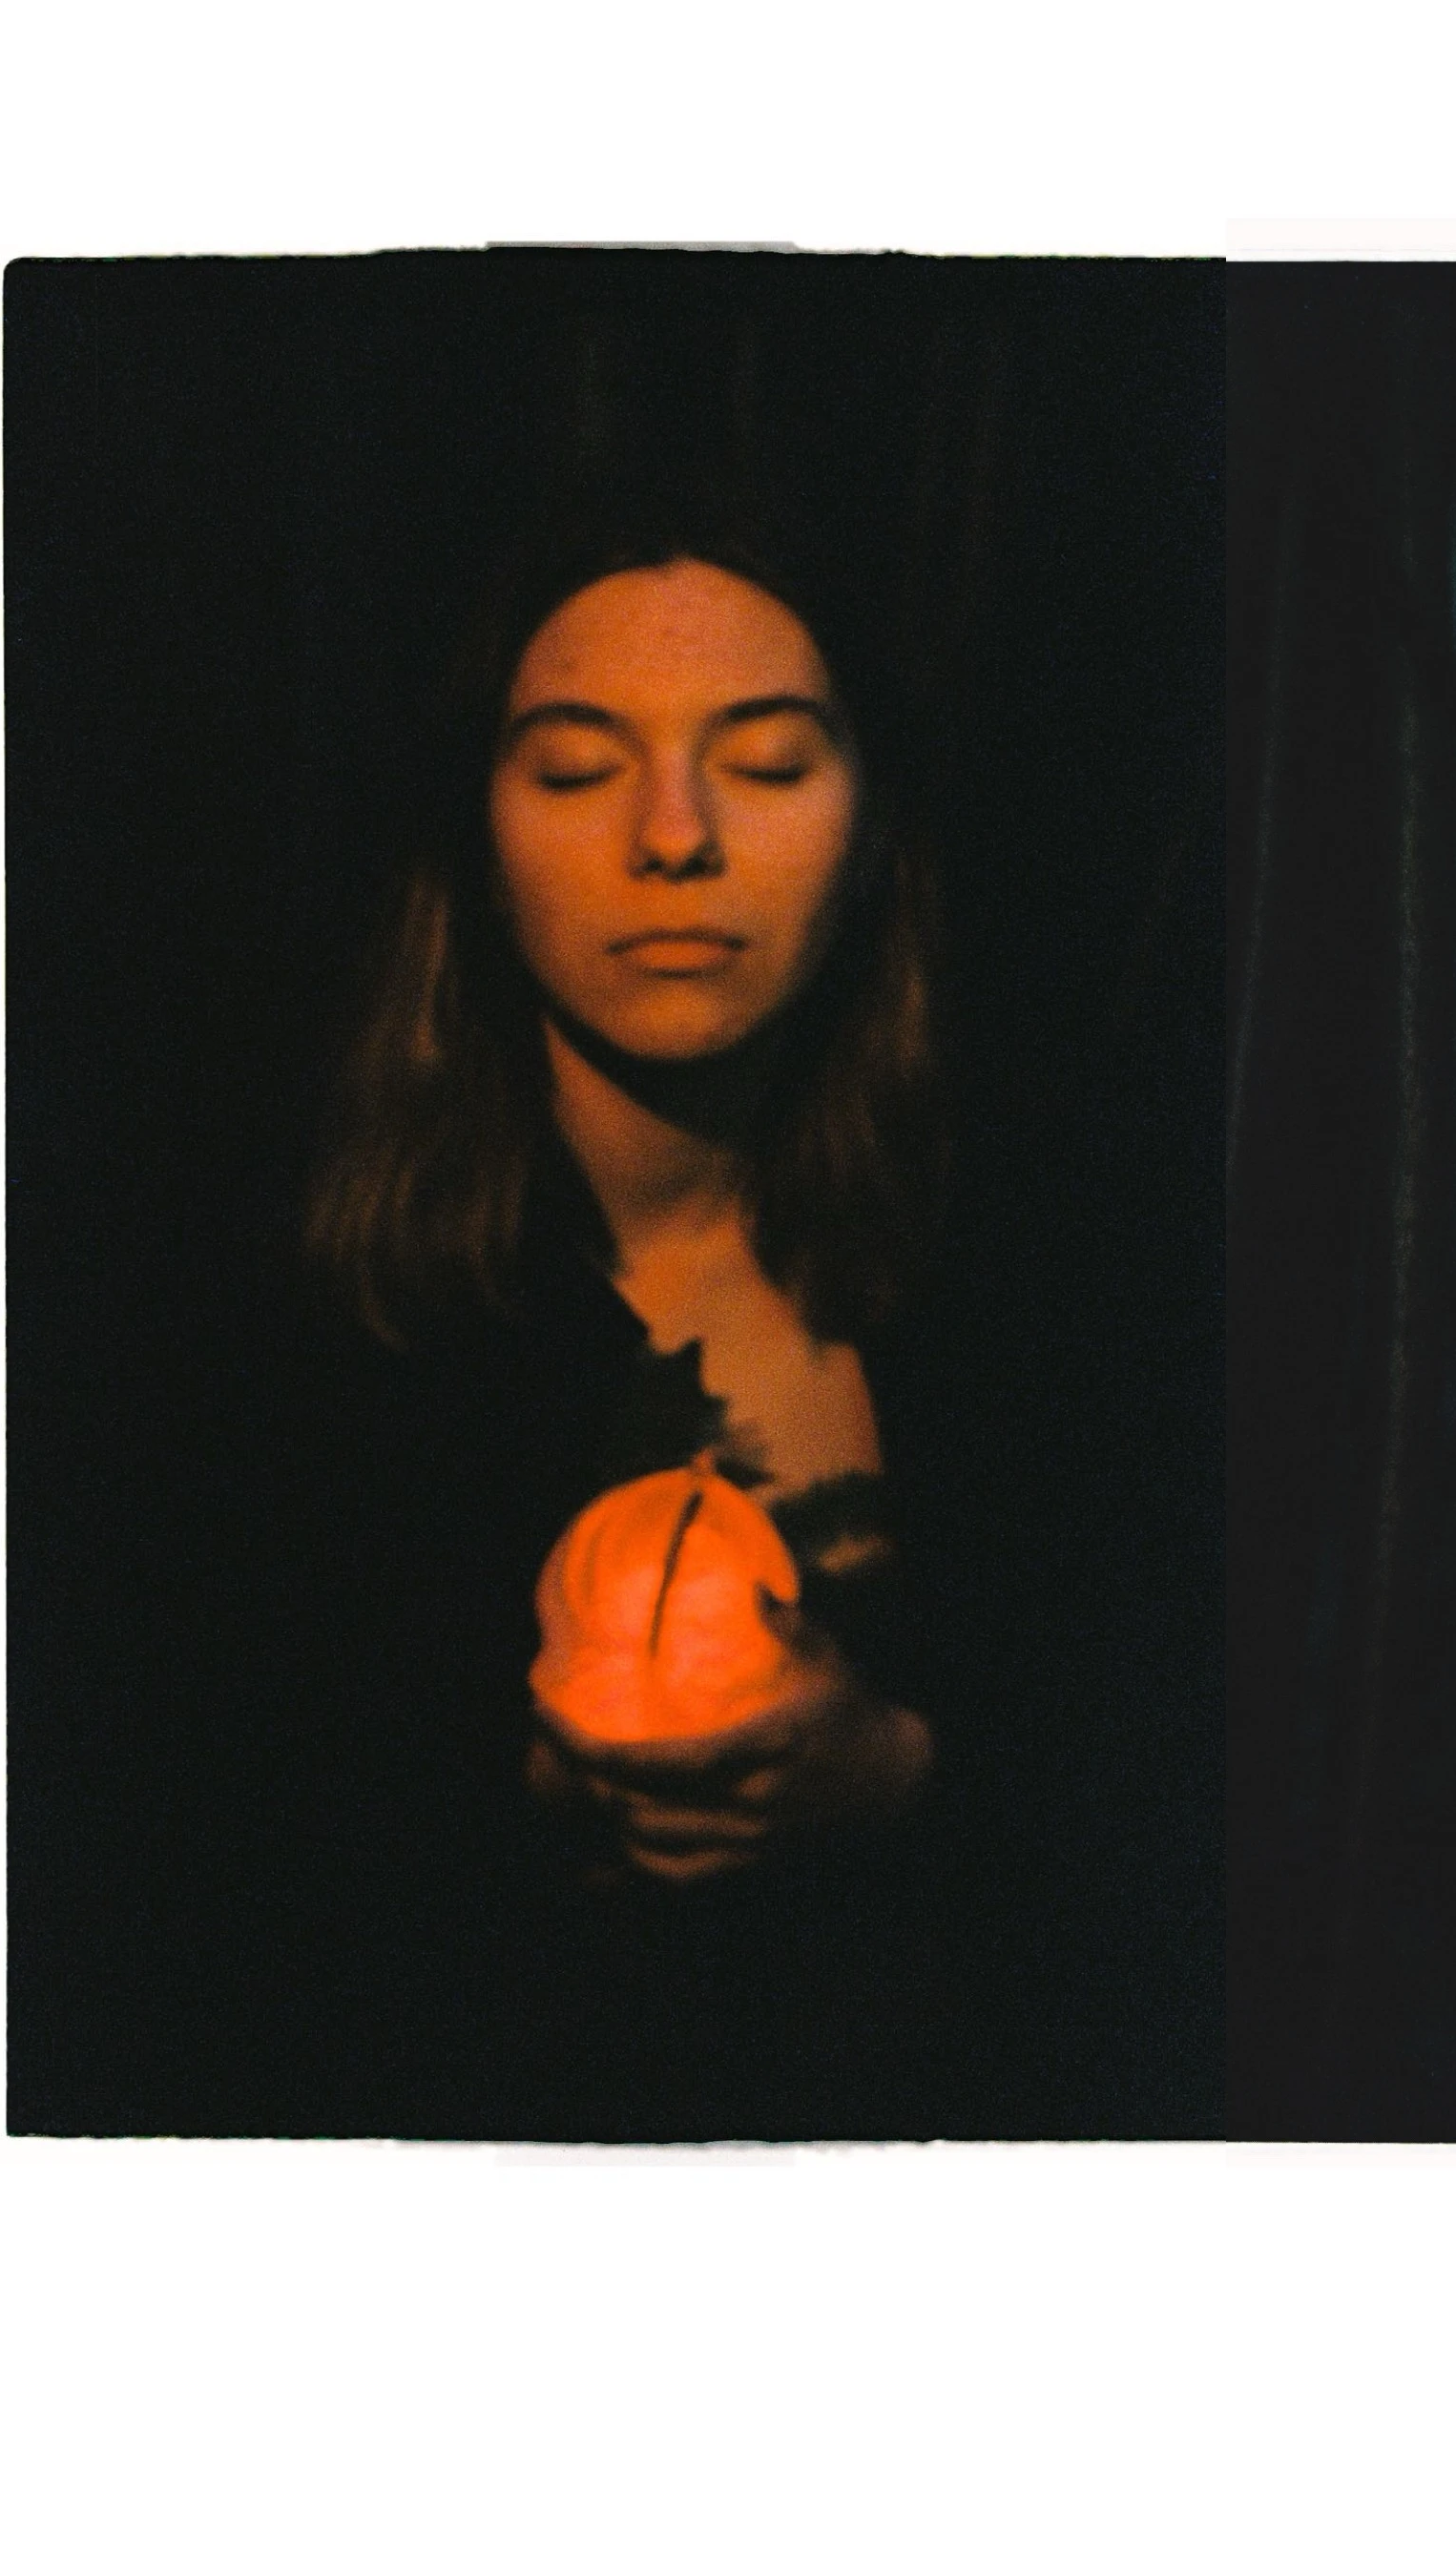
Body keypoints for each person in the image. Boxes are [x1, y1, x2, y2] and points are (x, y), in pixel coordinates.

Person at [292, 510, 970, 2140]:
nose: (674, 836)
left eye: (768, 762)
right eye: (580, 768)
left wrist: (894, 1772)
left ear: (873, 826)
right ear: (479, 835)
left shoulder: (1027, 1281)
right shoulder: (306, 1325)